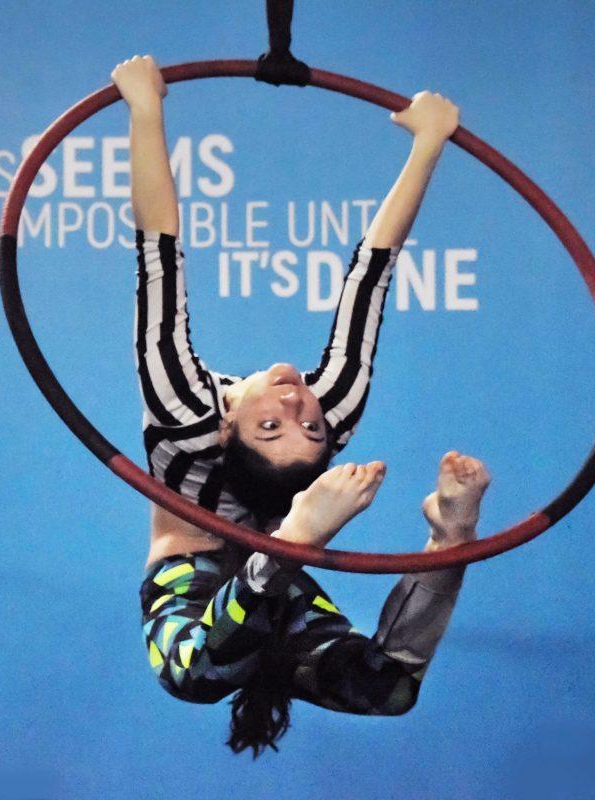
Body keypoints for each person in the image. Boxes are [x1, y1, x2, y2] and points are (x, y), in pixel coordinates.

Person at [113, 54, 491, 757]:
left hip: (225, 590)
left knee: (200, 676)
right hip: (211, 576)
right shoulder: (328, 408)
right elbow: (370, 276)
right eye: (298, 423)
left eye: (284, 423)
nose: (299, 403)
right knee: (361, 685)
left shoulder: (185, 410)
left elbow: (157, 249)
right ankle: (443, 542)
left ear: (226, 427)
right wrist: (427, 144)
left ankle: (342, 541)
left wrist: (145, 110)